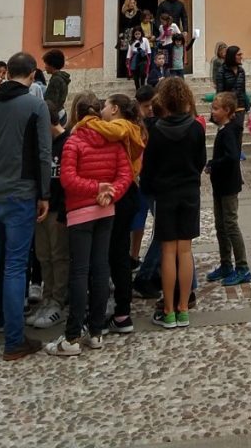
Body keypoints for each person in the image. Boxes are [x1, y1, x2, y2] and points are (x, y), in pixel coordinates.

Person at [0, 52, 52, 361]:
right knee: (16, 266)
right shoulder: (35, 105)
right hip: (20, 192)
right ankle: (14, 340)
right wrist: (44, 193)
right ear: (31, 74)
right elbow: (44, 154)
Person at [44, 94, 132, 356]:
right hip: (106, 210)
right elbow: (125, 174)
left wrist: (97, 189)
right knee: (101, 269)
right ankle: (96, 332)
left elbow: (68, 179)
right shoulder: (113, 140)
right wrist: (110, 193)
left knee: (80, 272)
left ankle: (72, 336)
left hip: (80, 211)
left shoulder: (73, 141)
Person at [140, 78, 206, 330]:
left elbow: (149, 167)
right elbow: (200, 161)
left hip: (165, 193)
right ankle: (183, 308)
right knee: (185, 250)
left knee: (167, 251)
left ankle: (168, 311)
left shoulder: (156, 130)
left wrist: (149, 188)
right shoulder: (196, 128)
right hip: (189, 192)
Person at [97, 94, 147, 335]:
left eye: (105, 106)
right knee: (118, 253)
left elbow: (113, 131)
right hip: (127, 193)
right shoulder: (133, 128)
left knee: (114, 253)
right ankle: (121, 310)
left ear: (115, 109)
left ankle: (119, 310)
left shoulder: (122, 127)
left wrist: (86, 122)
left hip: (121, 193)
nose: (102, 110)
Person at [28, 101, 69, 330]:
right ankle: (48, 297)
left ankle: (58, 300)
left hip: (57, 208)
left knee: (59, 256)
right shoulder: (39, 144)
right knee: (43, 255)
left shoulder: (67, 142)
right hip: (40, 209)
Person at [205, 92, 251, 284]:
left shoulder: (230, 130)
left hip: (229, 184)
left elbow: (232, 156)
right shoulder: (224, 128)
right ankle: (226, 264)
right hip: (220, 184)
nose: (212, 112)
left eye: (216, 108)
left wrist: (213, 164)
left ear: (227, 110)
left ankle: (242, 267)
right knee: (220, 225)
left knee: (230, 225)